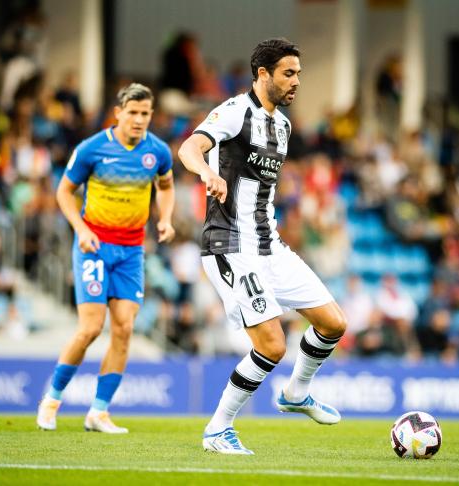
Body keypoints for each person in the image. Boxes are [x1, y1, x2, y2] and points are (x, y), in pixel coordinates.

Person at [178, 38, 348, 455]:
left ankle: (295, 392)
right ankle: (218, 429)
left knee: (333, 323)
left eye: (299, 74)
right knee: (272, 345)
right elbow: (188, 147)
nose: (296, 82)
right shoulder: (236, 111)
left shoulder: (284, 127)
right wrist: (205, 172)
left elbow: (260, 191)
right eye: (289, 73)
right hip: (230, 246)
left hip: (270, 246)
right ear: (262, 74)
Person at [36, 83, 175, 433]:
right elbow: (64, 191)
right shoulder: (92, 149)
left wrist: (167, 218)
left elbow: (166, 186)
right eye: (133, 113)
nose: (140, 119)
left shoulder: (157, 152)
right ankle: (51, 400)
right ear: (119, 113)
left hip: (131, 251)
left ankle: (98, 412)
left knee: (125, 328)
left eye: (146, 113)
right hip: (94, 245)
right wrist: (80, 229)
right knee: (91, 327)